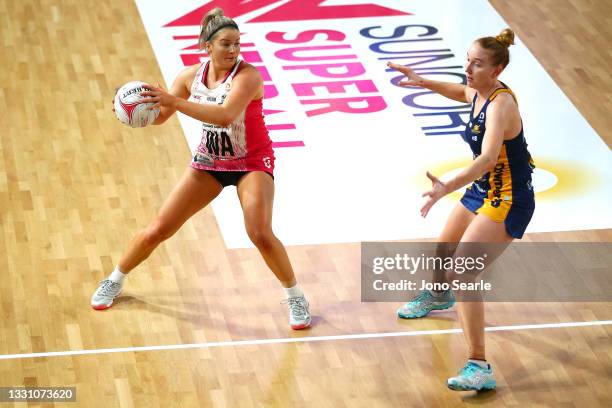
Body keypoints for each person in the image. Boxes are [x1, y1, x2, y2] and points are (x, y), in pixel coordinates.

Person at [91, 7, 311, 330]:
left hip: (251, 162)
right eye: (225, 43)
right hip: (210, 162)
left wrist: (175, 101)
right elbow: (163, 115)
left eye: (237, 43)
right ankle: (115, 279)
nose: (234, 50)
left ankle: (295, 296)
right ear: (207, 46)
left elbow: (224, 115)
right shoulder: (188, 77)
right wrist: (132, 108)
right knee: (158, 229)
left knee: (260, 233)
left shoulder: (248, 77)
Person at [388, 28, 535, 390]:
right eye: (468, 60)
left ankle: (479, 365)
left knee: (464, 272)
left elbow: (486, 159)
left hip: (509, 198)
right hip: (485, 191)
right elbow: (460, 92)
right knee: (444, 247)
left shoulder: (501, 105)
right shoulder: (479, 93)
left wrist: (444, 188)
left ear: (497, 70)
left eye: (477, 64)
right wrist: (422, 81)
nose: (468, 68)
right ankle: (438, 295)